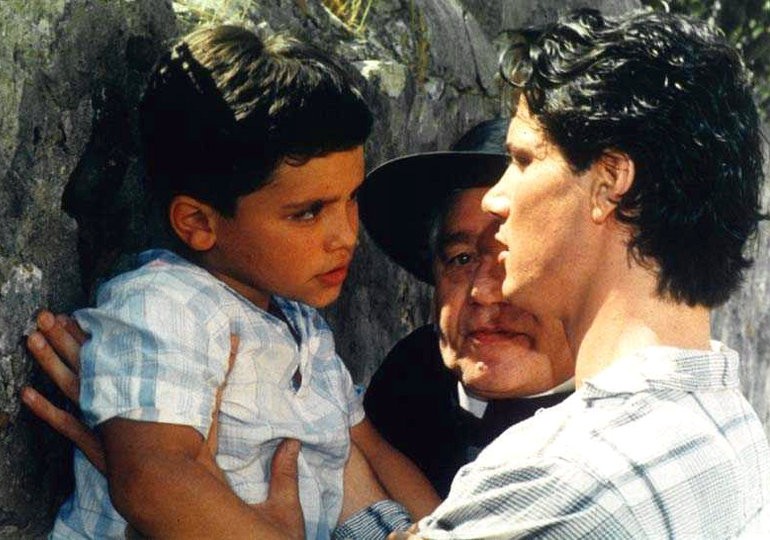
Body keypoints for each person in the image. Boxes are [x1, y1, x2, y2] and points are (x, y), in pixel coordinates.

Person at [39, 24, 437, 539]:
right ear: (198, 223)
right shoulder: (168, 305)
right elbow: (153, 478)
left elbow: (373, 451)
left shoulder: (302, 326)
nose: (346, 235)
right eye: (308, 212)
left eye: (352, 198)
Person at [398, 8, 770, 538]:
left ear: (610, 180)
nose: (497, 198)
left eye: (523, 160)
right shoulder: (731, 424)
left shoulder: (557, 478)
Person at [360, 118, 574, 497]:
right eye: (461, 259)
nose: (484, 292)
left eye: (515, 256)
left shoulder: (620, 430)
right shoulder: (411, 377)